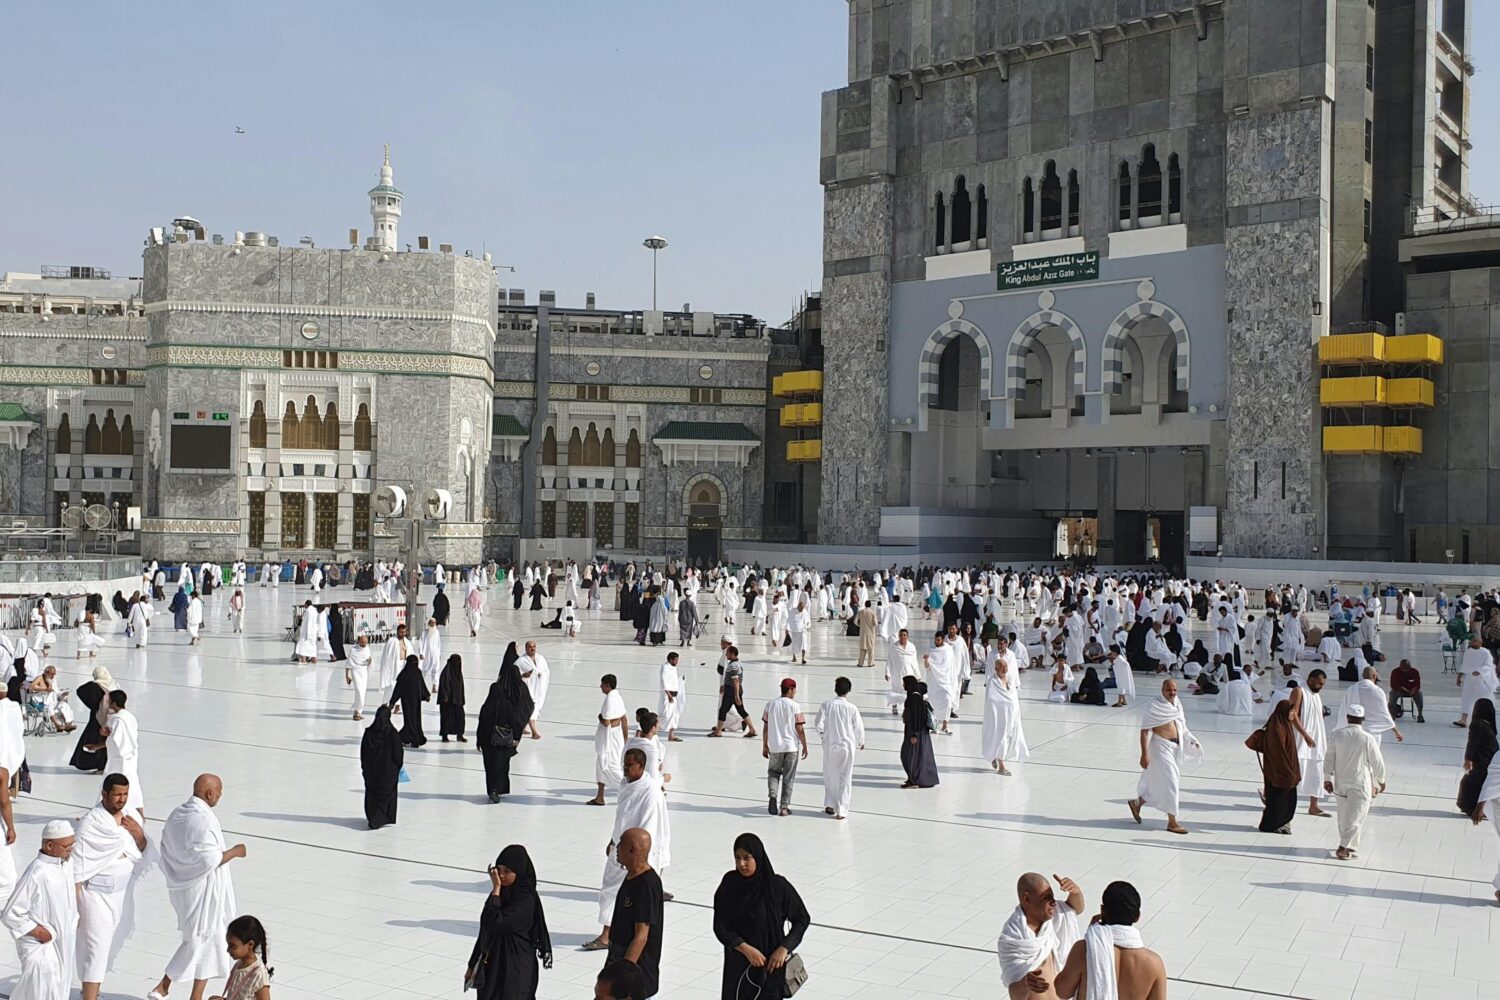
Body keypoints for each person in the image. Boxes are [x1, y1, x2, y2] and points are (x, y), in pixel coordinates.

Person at [149, 775, 245, 1000]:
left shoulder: (176, 814)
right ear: (210, 793)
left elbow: (166, 847)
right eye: (219, 791)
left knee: (208, 940)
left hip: (182, 887)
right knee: (197, 939)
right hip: (202, 890)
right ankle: (163, 986)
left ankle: (195, 995)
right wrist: (236, 851)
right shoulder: (204, 819)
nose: (220, 796)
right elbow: (210, 859)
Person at [73, 773, 148, 1000]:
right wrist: (74, 908)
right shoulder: (90, 824)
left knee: (105, 946)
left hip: (119, 895)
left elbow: (142, 848)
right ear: (104, 794)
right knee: (94, 948)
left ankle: (92, 992)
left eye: (125, 794)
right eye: (117, 795)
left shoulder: (130, 817)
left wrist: (138, 833)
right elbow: (76, 868)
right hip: (94, 896)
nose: (122, 799)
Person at [711, 832, 810, 1000]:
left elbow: (802, 919)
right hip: (739, 969)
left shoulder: (777, 887)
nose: (741, 864)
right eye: (737, 858)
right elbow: (720, 926)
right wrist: (745, 949)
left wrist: (784, 948)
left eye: (746, 858)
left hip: (770, 970)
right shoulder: (730, 884)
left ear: (758, 857)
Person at [1049, 881, 1167, 1000]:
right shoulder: (1154, 963)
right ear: (1137, 916)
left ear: (1102, 910)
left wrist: (1090, 939)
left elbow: (1061, 991)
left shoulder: (1083, 950)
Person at [1, 820, 77, 1000]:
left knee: (61, 985)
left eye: (72, 845)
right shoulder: (37, 872)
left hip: (64, 939)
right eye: (66, 846)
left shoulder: (66, 864)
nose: (70, 850)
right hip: (43, 945)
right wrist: (40, 933)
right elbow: (10, 913)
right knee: (40, 990)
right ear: (50, 845)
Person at [465, 844, 553, 1000]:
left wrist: (496, 889)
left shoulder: (526, 899)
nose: (501, 875)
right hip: (493, 965)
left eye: (507, 871)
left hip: (515, 966)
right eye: (498, 870)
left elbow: (498, 923)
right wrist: (472, 964)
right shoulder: (499, 894)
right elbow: (486, 929)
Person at [1127, 679, 1200, 835]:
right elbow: (1144, 731)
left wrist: (1191, 741)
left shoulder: (1177, 704)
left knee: (1159, 783)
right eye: (1169, 690)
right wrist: (1144, 754)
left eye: (1174, 690)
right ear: (1162, 690)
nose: (1172, 693)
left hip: (1175, 748)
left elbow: (1182, 725)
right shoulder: (1154, 706)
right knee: (1172, 782)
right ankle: (1172, 822)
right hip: (1160, 747)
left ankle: (1137, 803)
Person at [996, 873, 1084, 1000]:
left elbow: (1075, 908)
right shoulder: (1013, 938)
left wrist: (1075, 892)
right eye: (1046, 898)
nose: (1053, 903)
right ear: (1027, 899)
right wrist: (1025, 983)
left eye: (1052, 896)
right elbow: (1015, 995)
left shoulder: (1055, 916)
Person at [1324, 704, 1387, 860]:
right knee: (1357, 817)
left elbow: (1329, 758)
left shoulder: (1336, 735)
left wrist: (1326, 778)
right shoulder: (1367, 738)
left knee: (1344, 817)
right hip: (1360, 783)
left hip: (1340, 783)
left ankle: (1349, 845)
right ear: (1363, 719)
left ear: (1347, 718)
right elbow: (1377, 762)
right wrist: (1381, 780)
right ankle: (1343, 848)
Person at [477, 662, 533, 803]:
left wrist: (479, 740)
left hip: (487, 738)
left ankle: (492, 789)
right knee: (501, 765)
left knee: (490, 765)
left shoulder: (489, 704)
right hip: (504, 737)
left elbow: (482, 720)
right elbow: (522, 713)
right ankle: (497, 789)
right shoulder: (511, 701)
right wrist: (516, 736)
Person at [814, 677, 865, 820]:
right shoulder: (852, 708)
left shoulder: (827, 704)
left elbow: (818, 723)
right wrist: (861, 741)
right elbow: (858, 726)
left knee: (830, 775)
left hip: (830, 745)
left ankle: (830, 805)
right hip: (847, 746)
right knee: (845, 777)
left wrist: (824, 736)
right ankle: (842, 810)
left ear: (835, 689)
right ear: (848, 690)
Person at [87, 690, 142, 814]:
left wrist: (104, 735)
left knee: (113, 785)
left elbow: (116, 740)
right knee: (133, 782)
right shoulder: (130, 717)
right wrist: (97, 746)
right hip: (131, 755)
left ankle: (108, 812)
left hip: (118, 759)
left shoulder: (116, 719)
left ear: (114, 702)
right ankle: (138, 812)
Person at [982, 639, 1029, 775]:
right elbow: (991, 700)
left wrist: (1014, 710)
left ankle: (996, 757)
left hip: (1010, 716)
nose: (1005, 669)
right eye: (1002, 667)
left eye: (1006, 666)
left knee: (1007, 739)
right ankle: (1001, 766)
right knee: (999, 738)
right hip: (998, 718)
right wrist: (1003, 704)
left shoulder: (1010, 680)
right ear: (997, 669)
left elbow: (1013, 698)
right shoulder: (992, 682)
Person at [762, 678, 808, 817]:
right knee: (789, 777)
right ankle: (784, 807)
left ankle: (773, 796)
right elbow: (799, 728)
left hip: (775, 746)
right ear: (791, 690)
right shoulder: (796, 706)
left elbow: (766, 727)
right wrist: (805, 745)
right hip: (791, 747)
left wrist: (765, 745)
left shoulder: (770, 705)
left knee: (773, 773)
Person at [1255, 700, 1302, 835]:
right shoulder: (1276, 729)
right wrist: (1288, 771)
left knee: (1285, 799)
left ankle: (1281, 824)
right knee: (1278, 800)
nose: (1293, 714)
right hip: (1279, 772)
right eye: (1291, 711)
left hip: (1285, 771)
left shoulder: (1285, 724)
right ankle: (1273, 825)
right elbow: (1278, 753)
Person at [360, 706, 403, 828]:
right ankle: (380, 818)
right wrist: (397, 767)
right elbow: (398, 754)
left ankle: (373, 817)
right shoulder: (392, 734)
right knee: (386, 796)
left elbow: (363, 752)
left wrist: (364, 768)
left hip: (371, 772)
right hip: (388, 773)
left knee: (372, 795)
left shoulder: (369, 733)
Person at [1336, 667, 1404, 743]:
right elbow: (1385, 713)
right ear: (1374, 676)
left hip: (1354, 731)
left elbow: (1343, 709)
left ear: (1362, 675)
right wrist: (1396, 732)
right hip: (1372, 733)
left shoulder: (1351, 689)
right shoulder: (1378, 691)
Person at [589, 675, 628, 806]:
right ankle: (600, 797)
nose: (600, 686)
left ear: (607, 685)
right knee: (601, 766)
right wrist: (625, 738)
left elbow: (606, 722)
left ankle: (633, 788)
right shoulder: (618, 697)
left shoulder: (610, 700)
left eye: (602, 684)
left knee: (610, 767)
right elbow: (624, 719)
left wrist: (599, 717)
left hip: (610, 739)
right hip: (617, 737)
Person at [216, 914, 273, 1000]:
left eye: (232, 946)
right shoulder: (238, 965)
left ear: (250, 944)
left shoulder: (258, 974)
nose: (228, 950)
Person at [1459, 698, 1498, 816]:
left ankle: (1471, 807)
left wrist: (1468, 759)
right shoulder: (1481, 725)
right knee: (1474, 784)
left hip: (1483, 761)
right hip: (1483, 761)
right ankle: (1473, 809)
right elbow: (1472, 743)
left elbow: (1472, 743)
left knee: (1472, 784)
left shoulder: (1479, 724)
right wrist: (1468, 759)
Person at [1299, 669, 1330, 816]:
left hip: (1316, 741)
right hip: (1301, 741)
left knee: (1316, 773)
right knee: (1293, 774)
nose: (1321, 687)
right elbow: (1293, 715)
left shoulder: (1316, 695)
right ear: (1311, 680)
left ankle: (1314, 806)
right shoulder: (1299, 692)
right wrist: (1305, 735)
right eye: (1319, 683)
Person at [71, 667, 113, 772]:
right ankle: (103, 765)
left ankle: (98, 764)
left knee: (95, 740)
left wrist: (93, 706)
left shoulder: (95, 687)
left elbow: (80, 691)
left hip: (98, 717)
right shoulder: (113, 685)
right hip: (111, 717)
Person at [900, 676, 939, 788]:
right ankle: (917, 778)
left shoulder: (913, 698)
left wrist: (913, 734)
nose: (903, 685)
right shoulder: (916, 695)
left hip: (915, 733)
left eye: (904, 683)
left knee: (910, 755)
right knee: (918, 755)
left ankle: (914, 780)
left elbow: (915, 717)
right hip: (920, 733)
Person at [709, 645, 756, 738]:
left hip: (731, 691)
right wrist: (724, 685)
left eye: (727, 653)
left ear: (732, 654)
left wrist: (736, 695)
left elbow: (736, 681)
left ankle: (718, 731)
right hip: (734, 690)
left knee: (723, 710)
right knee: (741, 710)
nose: (726, 654)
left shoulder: (733, 665)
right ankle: (752, 729)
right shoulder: (738, 663)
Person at [1458, 637, 1497, 728]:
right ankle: (1463, 720)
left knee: (1482, 700)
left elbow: (1489, 665)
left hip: (1482, 681)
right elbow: (1464, 665)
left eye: (1475, 641)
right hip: (1470, 680)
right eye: (1472, 640)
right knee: (1466, 699)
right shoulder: (1468, 652)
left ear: (1480, 643)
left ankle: (1483, 720)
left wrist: (1479, 671)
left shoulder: (1485, 652)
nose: (1472, 642)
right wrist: (1459, 676)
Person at [376, 624, 416, 712]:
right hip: (393, 667)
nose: (403, 634)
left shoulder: (407, 642)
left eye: (404, 632)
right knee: (391, 687)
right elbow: (386, 657)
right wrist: (387, 669)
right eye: (401, 632)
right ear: (397, 632)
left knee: (402, 687)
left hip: (403, 665)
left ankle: (397, 707)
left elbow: (411, 655)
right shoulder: (391, 641)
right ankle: (384, 704)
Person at [517, 641, 550, 740]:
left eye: (534, 646)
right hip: (527, 689)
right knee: (531, 709)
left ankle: (522, 727)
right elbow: (514, 674)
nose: (532, 648)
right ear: (526, 648)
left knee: (530, 709)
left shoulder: (541, 659)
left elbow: (546, 671)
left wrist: (541, 675)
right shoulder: (521, 661)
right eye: (530, 647)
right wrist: (523, 675)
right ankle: (534, 732)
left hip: (538, 689)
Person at [437, 654, 467, 744]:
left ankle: (460, 735)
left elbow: (461, 686)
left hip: (457, 700)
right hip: (447, 701)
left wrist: (462, 699)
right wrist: (445, 697)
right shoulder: (446, 672)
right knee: (446, 718)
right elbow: (442, 686)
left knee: (460, 717)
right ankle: (444, 736)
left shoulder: (458, 672)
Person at [1387, 659, 1424, 723]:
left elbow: (1418, 685)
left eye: (1407, 669)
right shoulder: (1395, 672)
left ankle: (1420, 715)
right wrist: (1401, 688)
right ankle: (1392, 715)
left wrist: (1414, 689)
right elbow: (1393, 685)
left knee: (1419, 693)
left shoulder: (1415, 671)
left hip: (1412, 691)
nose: (1405, 670)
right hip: (1400, 690)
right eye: (1403, 669)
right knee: (1392, 693)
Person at [345, 636, 373, 721]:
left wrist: (370, 661)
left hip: (364, 672)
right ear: (358, 641)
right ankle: (357, 712)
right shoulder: (353, 650)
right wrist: (347, 675)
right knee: (359, 691)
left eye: (365, 642)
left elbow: (368, 660)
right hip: (355, 671)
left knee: (363, 692)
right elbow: (348, 664)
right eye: (362, 642)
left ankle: (358, 712)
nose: (364, 644)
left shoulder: (367, 649)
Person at [658, 652, 683, 742]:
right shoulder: (665, 667)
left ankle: (671, 735)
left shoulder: (673, 668)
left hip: (674, 695)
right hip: (667, 696)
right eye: (675, 660)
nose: (677, 662)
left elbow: (673, 680)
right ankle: (649, 730)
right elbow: (664, 681)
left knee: (674, 716)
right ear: (670, 659)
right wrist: (668, 695)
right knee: (665, 715)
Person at [856, 601, 878, 668]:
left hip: (863, 632)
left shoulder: (860, 612)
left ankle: (860, 663)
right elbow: (875, 623)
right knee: (870, 648)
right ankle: (870, 663)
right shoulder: (873, 612)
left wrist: (860, 625)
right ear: (870, 605)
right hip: (870, 633)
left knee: (862, 648)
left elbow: (855, 621)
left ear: (865, 605)